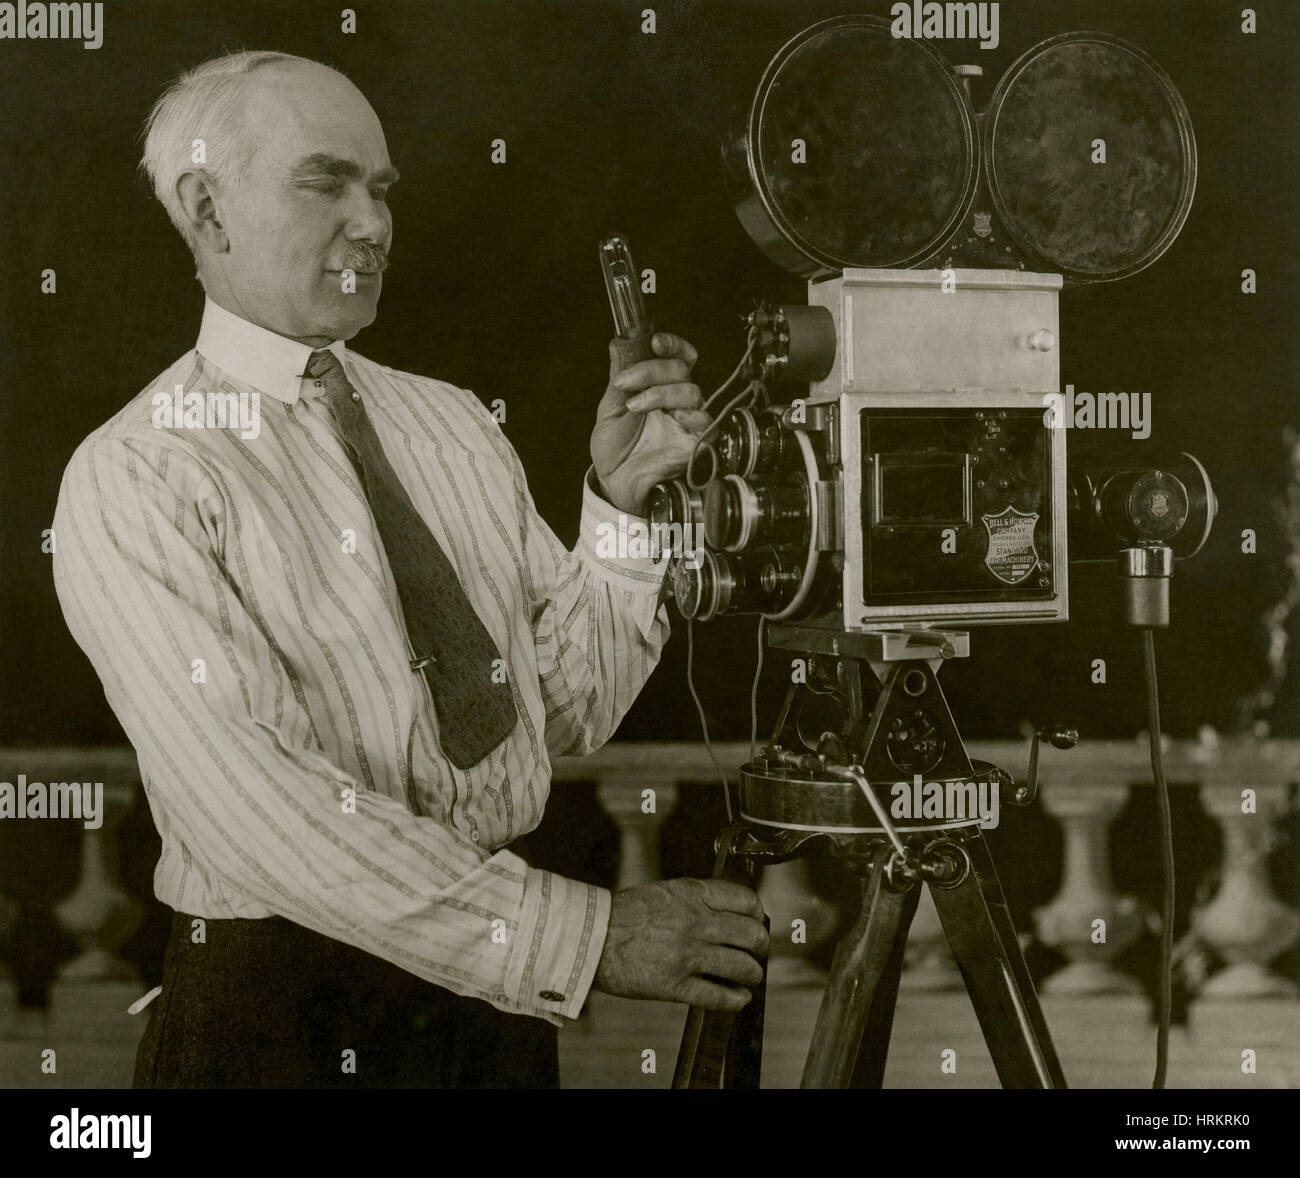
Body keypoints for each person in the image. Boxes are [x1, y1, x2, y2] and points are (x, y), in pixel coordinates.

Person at [51, 49, 768, 1088]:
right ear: (208, 209)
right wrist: (588, 939)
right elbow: (262, 814)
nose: (375, 222)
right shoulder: (139, 472)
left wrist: (618, 508)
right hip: (278, 1026)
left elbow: (557, 713)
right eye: (326, 180)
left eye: (380, 189)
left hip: (491, 1024)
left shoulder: (454, 424)